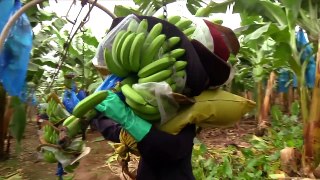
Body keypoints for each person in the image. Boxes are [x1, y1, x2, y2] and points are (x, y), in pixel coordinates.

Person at [91, 16, 240, 180]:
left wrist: (127, 118)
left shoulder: (189, 109)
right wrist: (98, 115)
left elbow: (172, 148)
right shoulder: (160, 107)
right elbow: (122, 133)